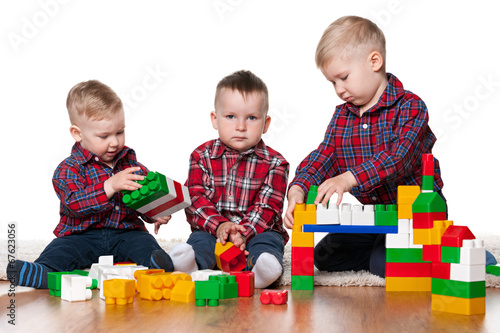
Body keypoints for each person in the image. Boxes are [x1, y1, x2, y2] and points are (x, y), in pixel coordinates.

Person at [284, 15, 445, 278]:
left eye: (344, 77)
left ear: (374, 61)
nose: (339, 89)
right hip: (373, 217)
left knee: (386, 266)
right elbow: (325, 155)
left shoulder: (410, 106)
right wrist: (298, 188)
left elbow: (398, 159)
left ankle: (447, 251)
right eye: (333, 82)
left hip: (415, 213)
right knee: (325, 257)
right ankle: (381, 247)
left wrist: (349, 178)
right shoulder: (342, 116)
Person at [7, 80, 174, 289]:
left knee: (145, 244)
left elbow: (141, 198)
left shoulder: (130, 164)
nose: (114, 142)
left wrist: (154, 212)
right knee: (61, 249)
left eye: (119, 132)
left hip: (126, 233)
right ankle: (44, 271)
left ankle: (155, 266)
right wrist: (110, 186)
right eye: (104, 136)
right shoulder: (68, 169)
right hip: (82, 235)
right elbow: (73, 204)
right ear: (78, 134)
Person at [168, 70, 289, 288]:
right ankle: (193, 265)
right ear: (215, 119)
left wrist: (243, 233)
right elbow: (195, 199)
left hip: (257, 230)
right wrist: (220, 226)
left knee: (268, 243)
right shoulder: (201, 156)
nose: (241, 126)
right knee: (200, 241)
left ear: (266, 123)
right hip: (213, 230)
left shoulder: (276, 163)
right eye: (231, 117)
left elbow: (268, 207)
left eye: (251, 118)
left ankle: (261, 271)